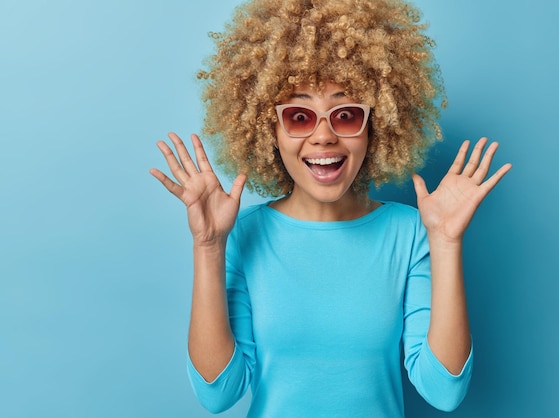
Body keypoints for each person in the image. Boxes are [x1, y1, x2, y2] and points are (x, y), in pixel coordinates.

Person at [150, 0, 512, 416]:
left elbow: (443, 391)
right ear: (270, 130)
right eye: (300, 116)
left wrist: (446, 243)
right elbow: (219, 394)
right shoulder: (241, 233)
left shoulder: (410, 232)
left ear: (374, 125)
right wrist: (209, 247)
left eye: (345, 115)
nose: (323, 137)